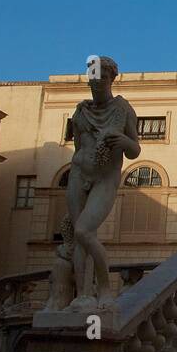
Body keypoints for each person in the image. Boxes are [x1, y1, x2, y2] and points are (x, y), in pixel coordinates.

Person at [67, 56, 139, 309]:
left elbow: (134, 150)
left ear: (111, 79)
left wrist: (123, 142)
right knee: (80, 239)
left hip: (106, 177)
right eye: (92, 77)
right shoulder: (81, 111)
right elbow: (78, 145)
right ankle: (83, 295)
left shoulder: (123, 109)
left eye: (102, 77)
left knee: (83, 231)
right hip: (78, 173)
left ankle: (105, 289)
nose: (96, 82)